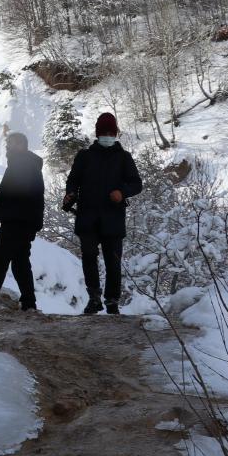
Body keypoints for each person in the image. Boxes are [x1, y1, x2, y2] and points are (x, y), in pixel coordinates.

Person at [63, 112, 143, 315]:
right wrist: (71, 193)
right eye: (104, 132)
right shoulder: (84, 156)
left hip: (113, 219)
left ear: (115, 134)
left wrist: (122, 192)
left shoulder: (124, 158)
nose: (107, 135)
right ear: (97, 134)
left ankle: (112, 302)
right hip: (87, 217)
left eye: (110, 132)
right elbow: (73, 180)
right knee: (89, 257)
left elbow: (137, 184)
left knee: (113, 262)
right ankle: (94, 299)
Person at [0, 132, 45, 311]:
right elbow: (18, 188)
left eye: (11, 143)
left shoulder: (21, 163)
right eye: (7, 143)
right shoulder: (28, 163)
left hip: (17, 219)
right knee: (20, 262)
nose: (7, 146)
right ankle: (29, 302)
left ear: (21, 145)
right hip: (26, 220)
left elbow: (18, 189)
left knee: (0, 258)